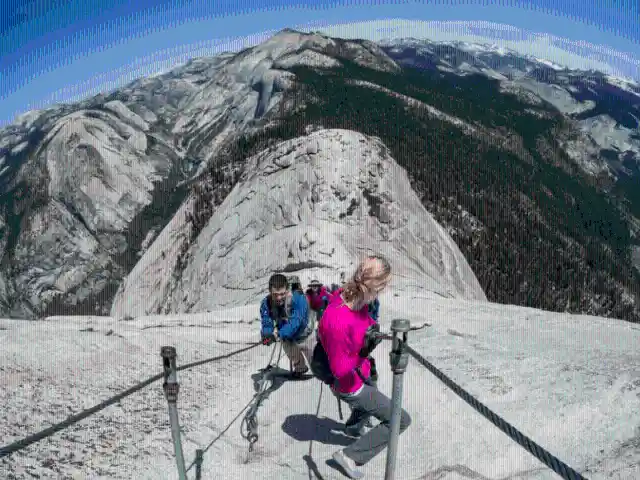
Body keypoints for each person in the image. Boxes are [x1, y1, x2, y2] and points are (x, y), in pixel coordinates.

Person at [318, 255, 411, 479]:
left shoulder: (351, 297)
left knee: (372, 393)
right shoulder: (337, 319)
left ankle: (353, 428)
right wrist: (363, 352)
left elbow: (362, 322)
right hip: (351, 385)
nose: (381, 293)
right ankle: (350, 455)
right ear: (372, 286)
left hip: (362, 373)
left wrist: (372, 331)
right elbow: (341, 370)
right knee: (399, 419)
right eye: (381, 288)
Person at [260, 274, 315, 378]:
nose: (279, 298)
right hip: (288, 337)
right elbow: (266, 321)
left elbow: (295, 322)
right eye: (275, 294)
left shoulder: (298, 299)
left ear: (287, 288)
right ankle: (300, 369)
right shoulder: (266, 303)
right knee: (292, 352)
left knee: (318, 366)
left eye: (282, 294)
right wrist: (267, 335)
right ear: (270, 291)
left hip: (306, 335)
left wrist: (279, 334)